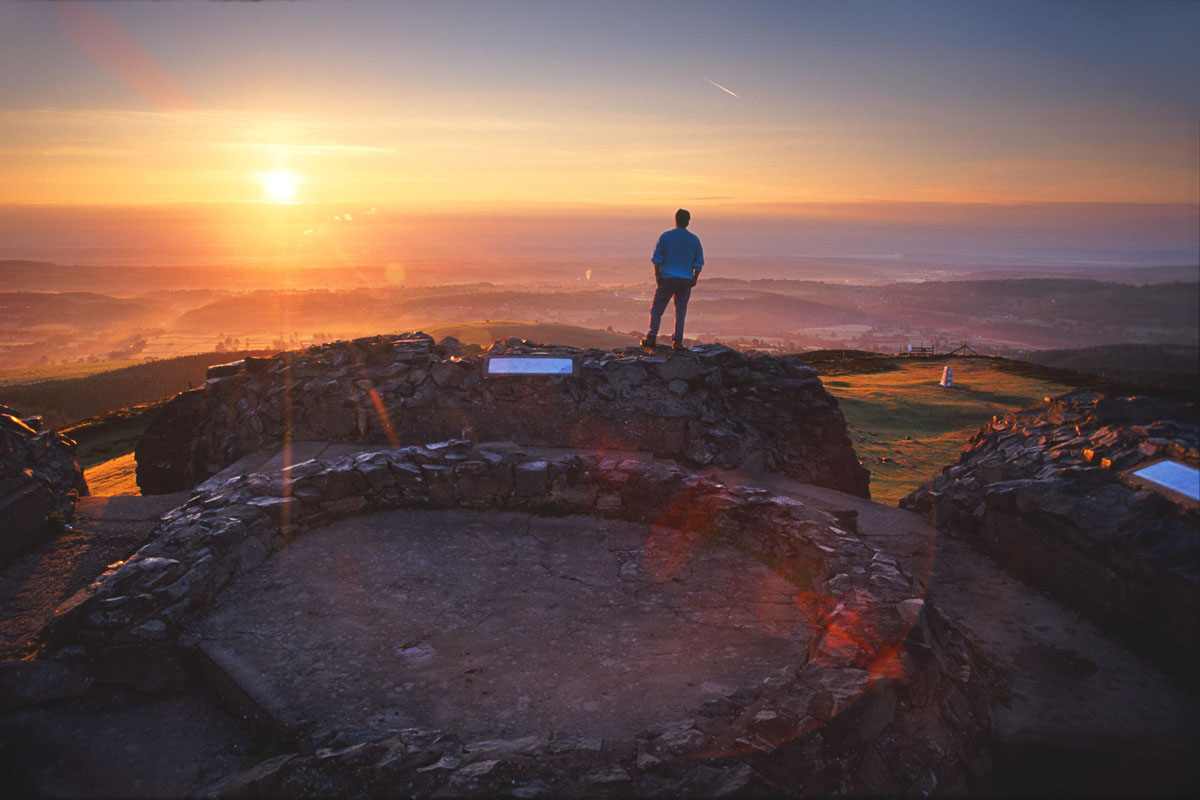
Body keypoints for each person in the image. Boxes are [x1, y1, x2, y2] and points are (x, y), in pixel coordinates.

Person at [642, 208, 704, 351]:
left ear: (675, 220)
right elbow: (698, 262)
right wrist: (694, 278)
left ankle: (651, 337)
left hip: (667, 279)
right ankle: (677, 341)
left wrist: (658, 275)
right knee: (680, 311)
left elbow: (656, 258)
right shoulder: (694, 239)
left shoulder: (666, 237)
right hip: (685, 280)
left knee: (657, 309)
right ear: (688, 222)